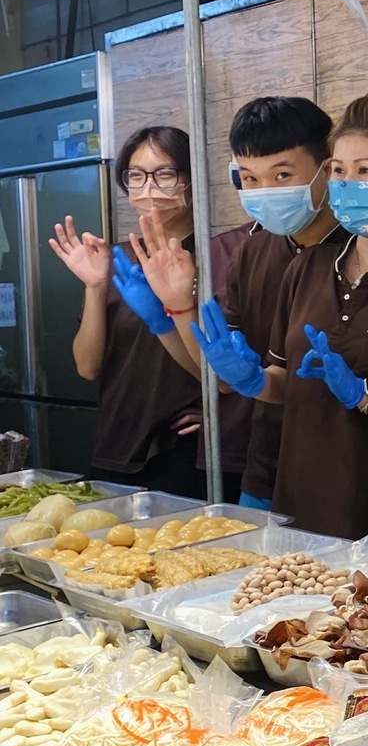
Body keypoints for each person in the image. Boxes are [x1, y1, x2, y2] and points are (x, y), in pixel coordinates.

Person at [193, 82, 368, 540]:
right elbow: (283, 382)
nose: (345, 185)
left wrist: (364, 397)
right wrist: (253, 380)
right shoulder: (309, 266)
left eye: (364, 171)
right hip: (298, 498)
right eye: (337, 171)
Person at [134, 97, 345, 509]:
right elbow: (225, 379)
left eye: (282, 174)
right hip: (264, 469)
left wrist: (260, 381)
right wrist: (178, 306)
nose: (264, 191)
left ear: (328, 168)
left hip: (342, 469)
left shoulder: (360, 250)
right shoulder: (252, 249)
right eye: (248, 178)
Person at [49, 127, 213, 496]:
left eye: (165, 174)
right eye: (136, 176)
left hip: (180, 451)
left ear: (192, 179)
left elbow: (235, 365)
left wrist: (219, 414)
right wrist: (95, 285)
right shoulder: (117, 260)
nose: (149, 188)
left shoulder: (218, 257)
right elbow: (87, 367)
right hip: (115, 443)